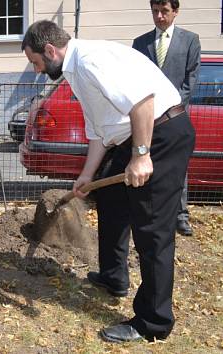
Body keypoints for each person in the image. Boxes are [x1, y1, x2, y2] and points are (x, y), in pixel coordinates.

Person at [22, 20, 194, 343]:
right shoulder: (75, 70)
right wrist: (87, 176)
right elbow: (100, 131)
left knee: (152, 229)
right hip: (132, 136)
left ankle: (153, 322)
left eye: (36, 62)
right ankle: (114, 277)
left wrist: (141, 156)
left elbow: (142, 101)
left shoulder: (90, 61)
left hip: (161, 134)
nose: (36, 70)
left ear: (50, 50)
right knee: (112, 202)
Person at [133, 0, 201, 236]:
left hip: (176, 116)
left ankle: (180, 216)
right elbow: (136, 80)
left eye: (164, 11)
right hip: (148, 118)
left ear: (175, 12)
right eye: (155, 11)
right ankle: (149, 211)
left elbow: (190, 80)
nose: (159, 16)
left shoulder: (190, 40)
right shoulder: (140, 43)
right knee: (146, 161)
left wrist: (170, 107)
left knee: (177, 167)